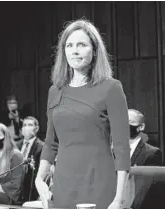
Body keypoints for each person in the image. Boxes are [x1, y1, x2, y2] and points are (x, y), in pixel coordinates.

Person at [35, 19, 131, 209]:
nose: (74, 51)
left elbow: (122, 148)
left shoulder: (110, 88)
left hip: (99, 183)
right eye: (69, 45)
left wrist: (119, 199)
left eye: (82, 45)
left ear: (94, 51)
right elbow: (50, 143)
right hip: (63, 185)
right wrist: (39, 179)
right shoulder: (55, 91)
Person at [126, 109, 162, 209]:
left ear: (141, 127)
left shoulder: (152, 153)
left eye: (130, 122)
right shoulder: (109, 149)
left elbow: (151, 188)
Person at [16, 116, 44, 202]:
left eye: (30, 125)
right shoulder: (16, 145)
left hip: (31, 189)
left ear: (36, 128)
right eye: (24, 125)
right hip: (16, 186)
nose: (26, 127)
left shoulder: (42, 147)